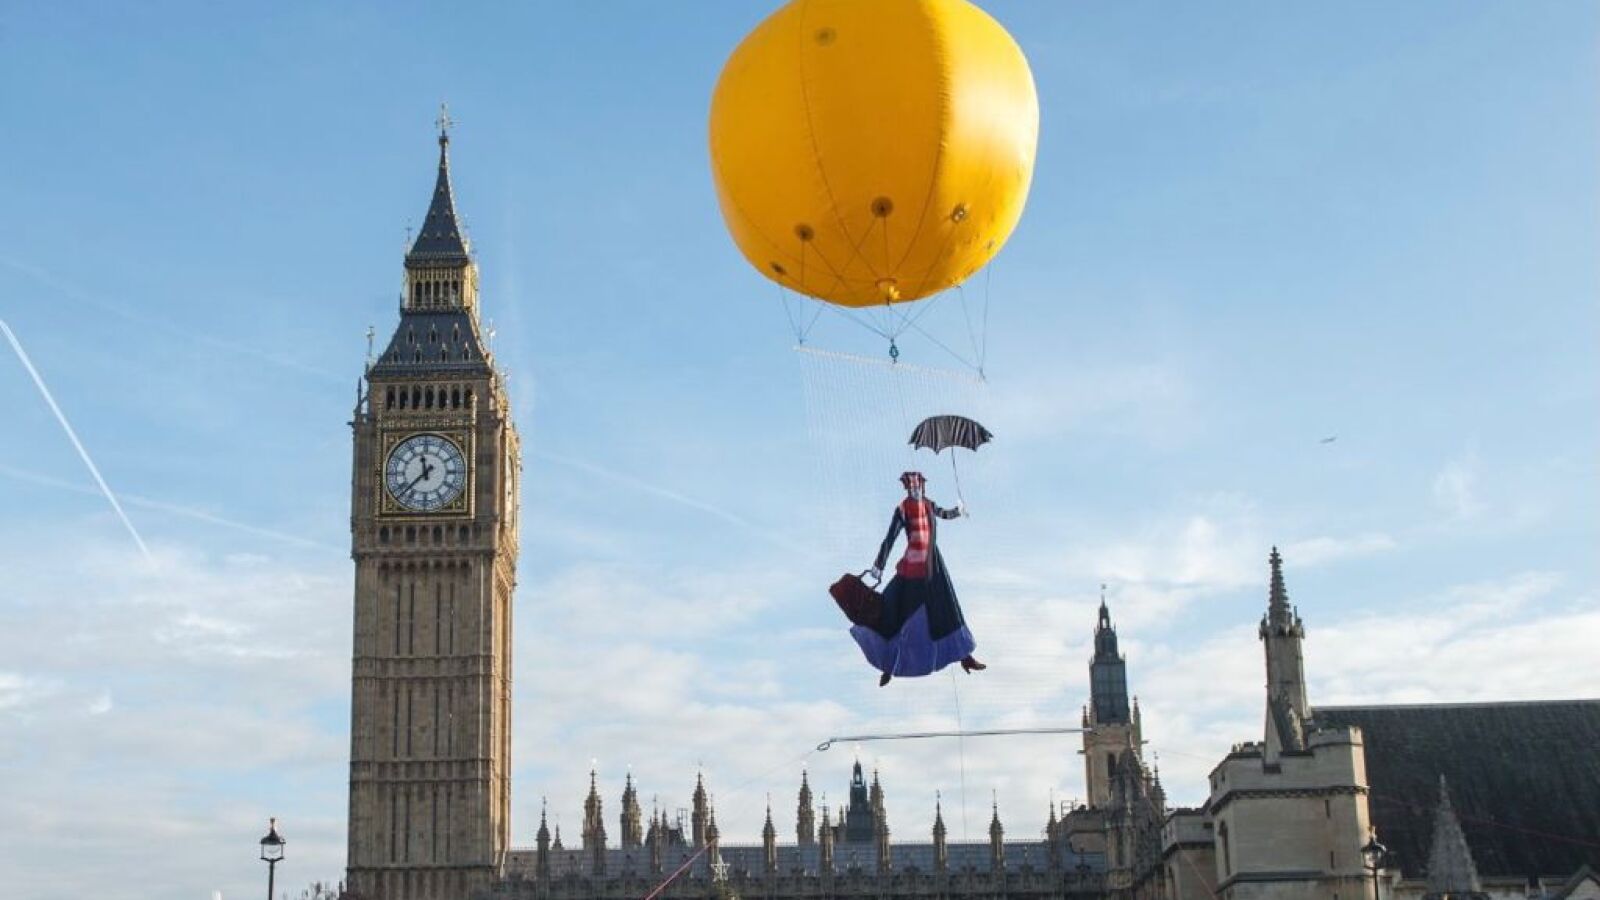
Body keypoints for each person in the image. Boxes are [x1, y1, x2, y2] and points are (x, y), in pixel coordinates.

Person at [852, 471, 985, 686]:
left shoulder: (929, 505)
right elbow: (890, 537)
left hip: (933, 567)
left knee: (948, 611)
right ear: (907, 488)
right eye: (911, 487)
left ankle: (965, 657)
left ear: (923, 486)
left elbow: (944, 513)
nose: (915, 489)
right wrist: (879, 565)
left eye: (918, 486)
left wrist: (958, 511)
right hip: (911, 570)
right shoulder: (903, 509)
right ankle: (888, 665)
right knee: (896, 612)